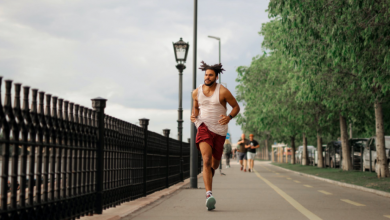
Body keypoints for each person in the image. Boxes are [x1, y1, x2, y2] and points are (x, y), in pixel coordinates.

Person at [190, 61, 240, 211]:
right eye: (206, 74)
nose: (207, 77)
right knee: (206, 160)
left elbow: (236, 107)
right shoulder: (196, 92)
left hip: (219, 130)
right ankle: (209, 195)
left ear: (216, 77)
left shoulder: (223, 91)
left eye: (210, 75)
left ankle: (209, 183)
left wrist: (229, 117)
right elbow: (196, 107)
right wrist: (194, 115)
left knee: (214, 164)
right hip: (203, 126)